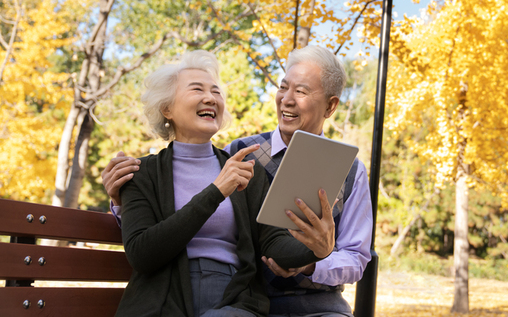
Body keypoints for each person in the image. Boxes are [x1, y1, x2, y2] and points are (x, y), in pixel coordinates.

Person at [104, 45, 372, 317]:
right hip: (225, 298)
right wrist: (119, 201)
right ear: (167, 108)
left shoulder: (348, 170)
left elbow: (339, 253)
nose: (287, 99)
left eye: (301, 91)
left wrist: (317, 254)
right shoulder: (242, 156)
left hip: (292, 304)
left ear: (331, 105)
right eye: (283, 87)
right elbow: (146, 238)